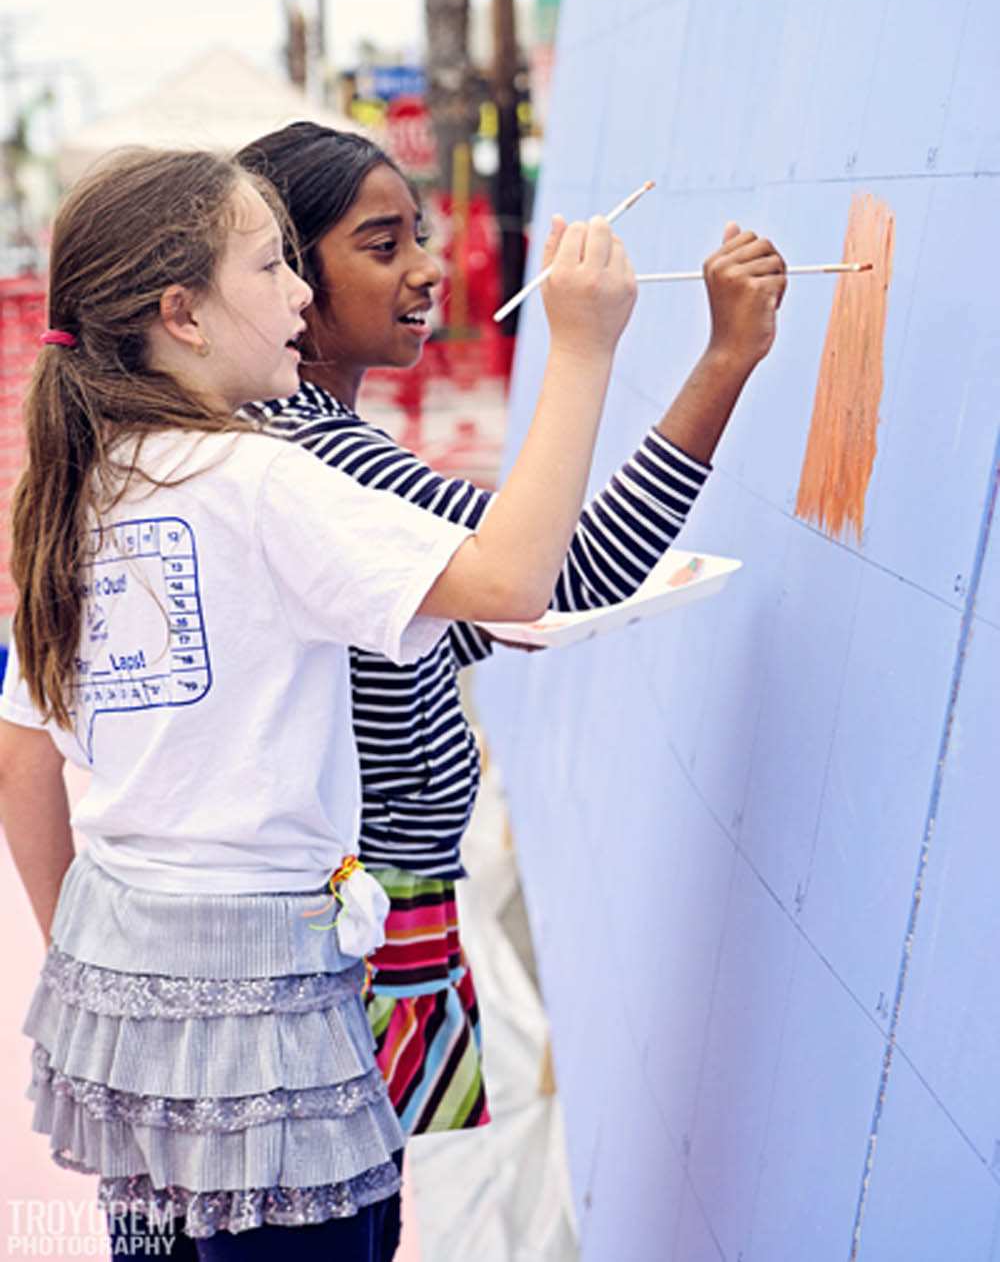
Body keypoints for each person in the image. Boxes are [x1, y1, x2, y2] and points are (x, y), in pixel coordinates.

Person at [0, 146, 638, 1258]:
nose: (299, 293)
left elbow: (27, 744)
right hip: (263, 1001)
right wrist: (581, 350)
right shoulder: (258, 478)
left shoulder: (81, 481)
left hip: (118, 984)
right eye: (269, 268)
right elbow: (517, 581)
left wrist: (88, 956)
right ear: (182, 314)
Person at [237, 122, 787, 1136]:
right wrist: (722, 358)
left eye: (421, 236)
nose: (426, 269)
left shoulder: (304, 441)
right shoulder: (318, 454)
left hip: (366, 895)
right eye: (382, 243)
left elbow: (449, 620)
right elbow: (562, 578)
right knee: (345, 1212)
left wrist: (495, 609)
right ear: (287, 283)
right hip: (363, 909)